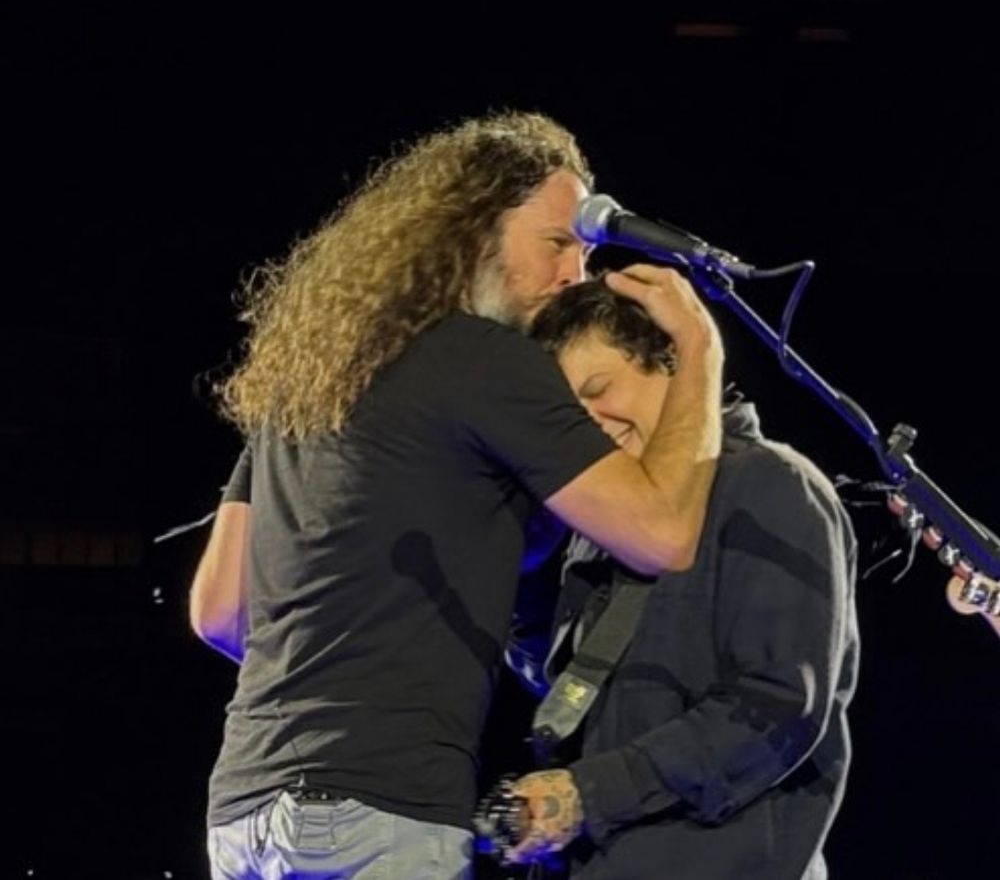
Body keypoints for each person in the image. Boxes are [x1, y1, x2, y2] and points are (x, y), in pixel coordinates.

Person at [188, 112, 725, 880]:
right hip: (379, 811)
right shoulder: (485, 360)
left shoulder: (312, 379)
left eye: (585, 251)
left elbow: (218, 612)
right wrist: (700, 347)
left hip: (245, 814)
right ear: (475, 233)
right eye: (556, 243)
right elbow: (664, 532)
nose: (575, 274)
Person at [503, 280, 859, 879]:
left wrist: (591, 793)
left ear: (671, 363)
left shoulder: (769, 483)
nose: (588, 423)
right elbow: (571, 690)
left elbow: (776, 707)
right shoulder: (602, 527)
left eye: (600, 390)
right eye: (568, 414)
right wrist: (524, 556)